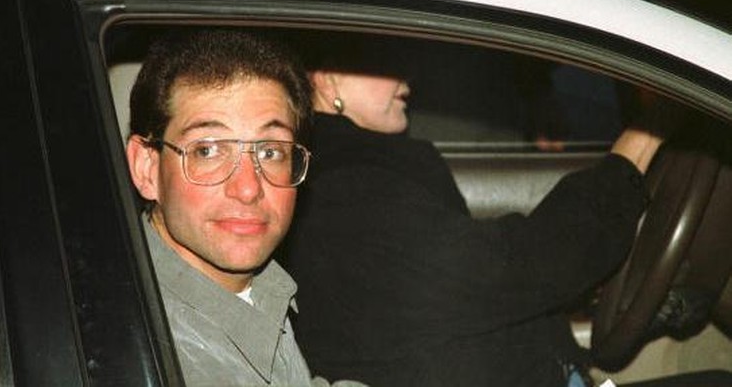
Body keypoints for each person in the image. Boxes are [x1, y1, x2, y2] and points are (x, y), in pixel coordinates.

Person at [286, 62, 667, 386]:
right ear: (326, 79)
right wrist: (643, 140)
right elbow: (518, 267)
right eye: (384, 63)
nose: (406, 77)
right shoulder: (346, 194)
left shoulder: (353, 176)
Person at [125, 29, 342, 386]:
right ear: (147, 168)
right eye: (208, 150)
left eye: (270, 151)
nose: (247, 188)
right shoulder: (160, 352)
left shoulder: (249, 290)